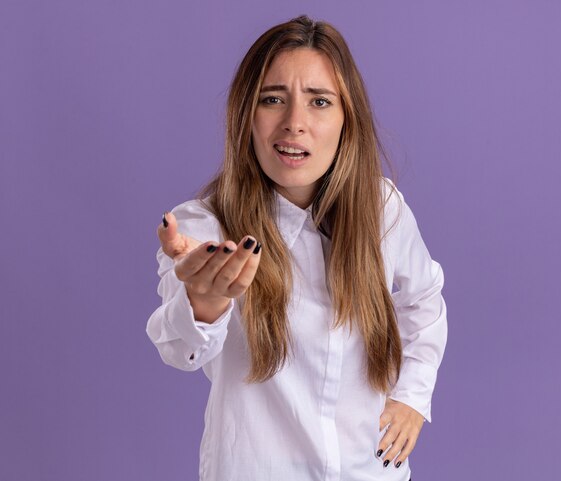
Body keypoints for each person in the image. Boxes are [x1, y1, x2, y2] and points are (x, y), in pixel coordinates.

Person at [146, 14, 447, 481]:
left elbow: (424, 301)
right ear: (245, 114)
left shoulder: (382, 209)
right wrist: (202, 305)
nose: (294, 123)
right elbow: (181, 349)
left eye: (319, 101)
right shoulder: (204, 225)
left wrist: (413, 396)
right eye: (273, 100)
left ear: (347, 118)